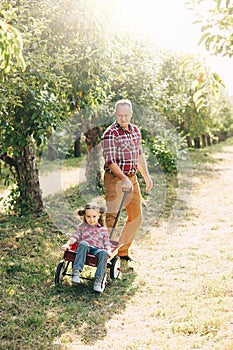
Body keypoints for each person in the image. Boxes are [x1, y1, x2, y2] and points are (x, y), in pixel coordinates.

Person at [101, 99, 153, 261]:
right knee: (112, 217)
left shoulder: (136, 131)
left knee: (136, 216)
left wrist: (146, 176)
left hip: (132, 178)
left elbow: (139, 155)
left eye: (125, 115)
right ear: (115, 115)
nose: (123, 119)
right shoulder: (110, 134)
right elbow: (111, 161)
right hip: (114, 178)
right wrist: (123, 178)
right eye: (119, 116)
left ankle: (122, 251)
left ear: (131, 114)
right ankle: (103, 255)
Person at [61, 202, 112, 293]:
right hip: (84, 248)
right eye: (88, 217)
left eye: (94, 216)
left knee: (103, 253)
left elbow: (106, 242)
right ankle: (76, 272)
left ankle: (98, 280)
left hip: (97, 249)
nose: (91, 219)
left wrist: (108, 249)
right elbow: (75, 237)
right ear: (84, 216)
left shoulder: (103, 229)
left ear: (99, 215)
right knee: (83, 243)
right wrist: (67, 244)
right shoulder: (82, 227)